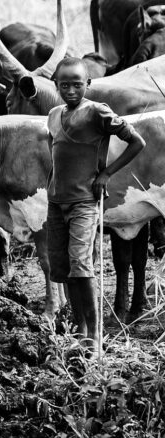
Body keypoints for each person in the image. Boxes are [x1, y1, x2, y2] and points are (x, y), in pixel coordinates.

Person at [46, 57, 144, 342]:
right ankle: (80, 329)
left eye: (77, 84)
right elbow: (56, 154)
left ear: (88, 84)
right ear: (56, 86)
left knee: (81, 264)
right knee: (63, 268)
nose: (71, 91)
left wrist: (106, 174)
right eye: (64, 85)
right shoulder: (53, 115)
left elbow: (137, 141)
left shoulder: (97, 112)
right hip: (56, 203)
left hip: (84, 202)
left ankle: (95, 334)